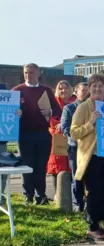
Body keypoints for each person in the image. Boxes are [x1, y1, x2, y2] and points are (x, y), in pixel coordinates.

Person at [71, 74, 104, 240]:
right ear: (89, 89)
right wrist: (91, 123)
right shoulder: (83, 108)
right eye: (94, 86)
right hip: (92, 157)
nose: (98, 89)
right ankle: (92, 226)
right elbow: (74, 132)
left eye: (101, 87)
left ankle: (100, 224)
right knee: (94, 192)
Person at [12, 63, 61, 205]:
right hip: (24, 134)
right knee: (27, 165)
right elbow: (7, 111)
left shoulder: (46, 91)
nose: (28, 75)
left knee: (40, 166)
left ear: (38, 73)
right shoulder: (17, 90)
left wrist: (50, 112)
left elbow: (58, 110)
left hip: (43, 134)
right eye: (26, 72)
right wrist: (16, 113)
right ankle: (28, 195)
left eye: (31, 72)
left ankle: (41, 196)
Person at [61, 82, 88, 212]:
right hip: (75, 147)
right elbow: (65, 128)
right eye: (83, 90)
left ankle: (90, 203)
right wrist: (78, 138)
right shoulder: (69, 108)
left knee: (90, 177)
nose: (86, 93)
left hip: (90, 148)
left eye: (88, 90)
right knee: (77, 176)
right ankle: (78, 203)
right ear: (76, 92)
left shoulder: (94, 107)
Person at [47, 80, 76, 201]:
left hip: (71, 137)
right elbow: (49, 118)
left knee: (72, 166)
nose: (63, 90)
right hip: (57, 137)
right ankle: (57, 194)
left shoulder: (76, 103)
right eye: (61, 88)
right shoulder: (53, 103)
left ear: (70, 89)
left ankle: (73, 195)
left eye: (66, 88)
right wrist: (58, 125)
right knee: (57, 166)